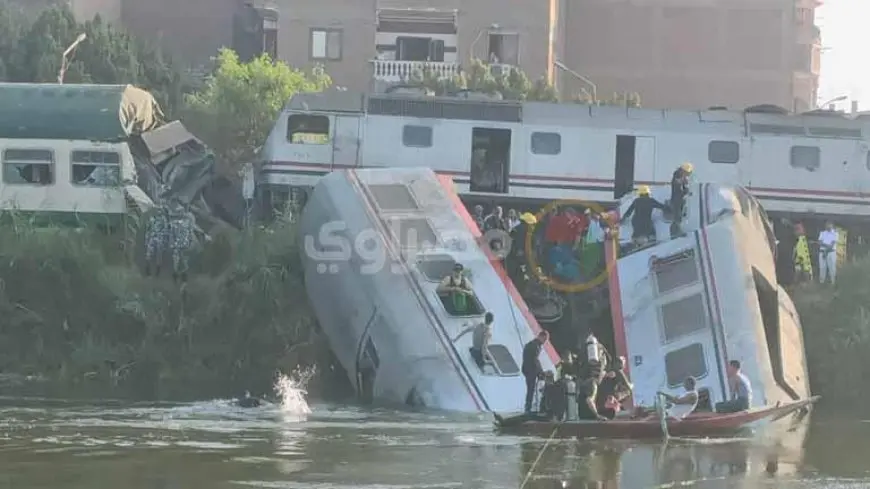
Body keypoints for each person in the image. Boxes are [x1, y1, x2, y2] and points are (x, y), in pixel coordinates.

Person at [576, 333, 609, 421]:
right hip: (591, 379)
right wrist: (597, 415)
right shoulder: (593, 384)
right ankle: (595, 415)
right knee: (590, 398)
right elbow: (589, 400)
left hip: (583, 378)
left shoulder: (586, 350)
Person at [168, 199, 196, 283]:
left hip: (182, 243)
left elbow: (190, 231)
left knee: (180, 258)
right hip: (181, 243)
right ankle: (180, 275)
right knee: (179, 258)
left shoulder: (188, 218)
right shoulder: (183, 220)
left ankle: (180, 275)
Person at [522, 331, 549, 413]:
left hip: (526, 369)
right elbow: (535, 360)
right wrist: (541, 372)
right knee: (531, 389)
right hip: (531, 370)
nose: (544, 342)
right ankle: (529, 408)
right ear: (541, 336)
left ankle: (528, 407)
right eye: (544, 339)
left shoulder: (530, 344)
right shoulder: (536, 346)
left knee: (530, 389)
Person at [144, 204, 169, 277]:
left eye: (160, 210)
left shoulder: (164, 220)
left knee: (159, 256)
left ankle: (157, 272)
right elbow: (148, 230)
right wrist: (146, 240)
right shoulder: (151, 219)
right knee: (148, 255)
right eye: (158, 210)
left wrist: (165, 242)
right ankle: (148, 272)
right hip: (152, 239)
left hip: (160, 239)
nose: (159, 211)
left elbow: (166, 231)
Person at [670, 162, 693, 236]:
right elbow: (679, 189)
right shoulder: (678, 177)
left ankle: (677, 231)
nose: (688, 175)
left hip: (679, 199)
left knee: (678, 217)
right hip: (677, 200)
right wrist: (686, 191)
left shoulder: (681, 177)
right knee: (677, 217)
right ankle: (676, 232)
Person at [818, 221, 839, 285]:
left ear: (832, 225)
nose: (828, 226)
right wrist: (826, 246)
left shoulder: (835, 233)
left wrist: (825, 250)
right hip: (822, 252)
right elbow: (819, 242)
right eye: (827, 224)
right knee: (822, 268)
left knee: (832, 268)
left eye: (829, 224)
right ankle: (821, 283)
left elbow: (831, 245)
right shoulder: (822, 233)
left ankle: (833, 283)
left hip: (831, 252)